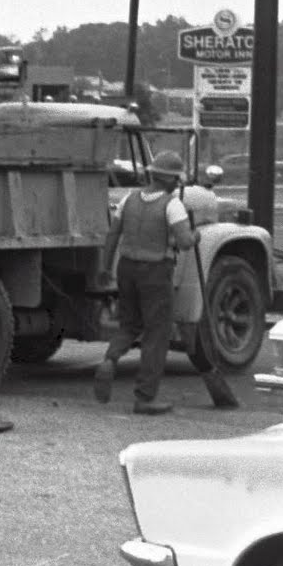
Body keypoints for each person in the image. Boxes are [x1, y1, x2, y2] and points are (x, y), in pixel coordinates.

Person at [93, 150, 198, 415]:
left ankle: (110, 359)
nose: (178, 184)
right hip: (155, 271)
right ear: (169, 180)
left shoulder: (129, 199)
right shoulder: (171, 204)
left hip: (126, 268)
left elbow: (113, 235)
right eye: (176, 179)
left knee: (129, 324)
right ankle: (145, 397)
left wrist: (105, 268)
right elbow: (184, 243)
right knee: (157, 333)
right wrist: (195, 234)